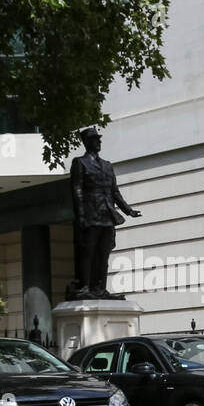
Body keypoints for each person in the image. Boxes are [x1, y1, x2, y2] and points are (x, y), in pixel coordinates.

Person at [69, 127, 141, 299]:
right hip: (90, 213)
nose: (99, 142)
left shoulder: (107, 166)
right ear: (87, 142)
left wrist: (128, 210)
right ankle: (86, 286)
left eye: (99, 139)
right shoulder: (80, 163)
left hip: (107, 215)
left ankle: (100, 288)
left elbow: (114, 192)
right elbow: (77, 190)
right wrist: (81, 215)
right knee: (88, 252)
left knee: (104, 252)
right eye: (95, 139)